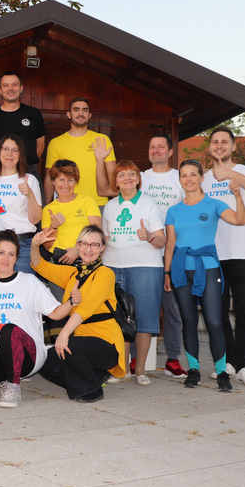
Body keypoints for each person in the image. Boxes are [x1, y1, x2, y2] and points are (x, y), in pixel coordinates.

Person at [0, 230, 73, 407]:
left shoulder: (29, 282)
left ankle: (13, 386)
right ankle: (9, 374)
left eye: (11, 254)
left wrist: (72, 302)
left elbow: (55, 313)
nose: (6, 258)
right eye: (1, 253)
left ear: (16, 258)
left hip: (30, 354)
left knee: (8, 330)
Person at [165, 159, 245, 392]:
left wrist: (238, 197)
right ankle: (194, 370)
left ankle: (222, 372)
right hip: (181, 270)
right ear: (179, 180)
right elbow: (170, 244)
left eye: (193, 174)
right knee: (189, 321)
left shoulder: (213, 204)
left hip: (208, 268)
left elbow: (240, 220)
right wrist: (167, 273)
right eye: (184, 175)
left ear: (202, 178)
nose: (188, 179)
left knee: (214, 321)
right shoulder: (173, 210)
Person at [202, 126, 245, 387]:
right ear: (209, 147)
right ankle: (228, 362)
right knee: (217, 313)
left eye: (224, 142)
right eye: (215, 142)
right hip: (212, 256)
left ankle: (244, 365)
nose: (219, 146)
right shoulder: (203, 179)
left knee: (244, 312)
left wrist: (230, 174)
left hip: (242, 253)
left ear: (233, 146)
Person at [31, 225, 125, 403]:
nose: (88, 249)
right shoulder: (74, 273)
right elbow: (39, 266)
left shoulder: (105, 273)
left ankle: (92, 392)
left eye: (95, 245)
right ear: (78, 246)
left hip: (106, 343)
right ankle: (92, 377)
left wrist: (63, 334)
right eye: (84, 244)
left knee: (69, 346)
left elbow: (85, 308)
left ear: (102, 248)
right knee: (44, 362)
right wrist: (35, 246)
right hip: (81, 341)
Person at [101, 160, 165, 386]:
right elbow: (105, 239)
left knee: (144, 319)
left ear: (138, 179)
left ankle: (140, 370)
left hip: (145, 267)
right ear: (115, 182)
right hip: (112, 266)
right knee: (119, 319)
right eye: (121, 175)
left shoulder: (149, 203)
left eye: (131, 174)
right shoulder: (110, 207)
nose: (127, 178)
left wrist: (149, 236)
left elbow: (161, 241)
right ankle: (123, 369)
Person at [138, 135, 187, 378]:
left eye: (160, 147)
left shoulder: (180, 178)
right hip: (143, 251)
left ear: (170, 152)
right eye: (151, 146)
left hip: (173, 251)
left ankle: (173, 359)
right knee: (141, 308)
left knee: (172, 309)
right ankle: (135, 359)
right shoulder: (140, 177)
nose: (155, 150)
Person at [0, 133, 42, 276]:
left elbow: (36, 219)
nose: (9, 154)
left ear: (21, 154)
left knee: (22, 290)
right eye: (5, 149)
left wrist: (30, 195)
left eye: (15, 150)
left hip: (22, 246)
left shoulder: (29, 180)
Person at [40, 160, 101, 300]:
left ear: (76, 181)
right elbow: (47, 246)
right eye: (61, 180)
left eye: (70, 180)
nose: (66, 185)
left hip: (86, 261)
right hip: (58, 266)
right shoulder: (48, 209)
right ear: (53, 181)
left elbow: (97, 232)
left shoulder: (87, 201)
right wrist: (54, 226)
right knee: (61, 307)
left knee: (85, 306)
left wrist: (77, 249)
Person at [44, 97, 116, 206]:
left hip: (98, 204)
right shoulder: (55, 143)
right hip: (67, 204)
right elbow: (49, 178)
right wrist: (47, 206)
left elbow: (114, 177)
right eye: (76, 110)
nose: (81, 113)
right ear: (69, 114)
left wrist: (118, 205)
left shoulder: (102, 140)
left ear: (89, 115)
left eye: (85, 110)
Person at [0, 71, 46, 180]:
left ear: (21, 88)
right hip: (2, 174)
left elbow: (40, 146)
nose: (10, 88)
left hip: (30, 172)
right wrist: (0, 170)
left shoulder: (34, 114)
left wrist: (24, 166)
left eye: (14, 85)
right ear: (0, 90)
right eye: (6, 85)